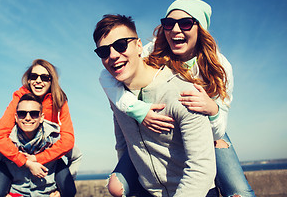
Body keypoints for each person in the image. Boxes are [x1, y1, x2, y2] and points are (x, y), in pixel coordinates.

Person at [99, 0, 255, 197]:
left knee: (239, 191)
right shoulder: (152, 50)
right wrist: (138, 110)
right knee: (116, 186)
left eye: (186, 23)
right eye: (168, 24)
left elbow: (219, 127)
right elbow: (108, 75)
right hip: (159, 125)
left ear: (201, 29)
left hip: (208, 126)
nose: (175, 30)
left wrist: (213, 110)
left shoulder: (220, 66)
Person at [93, 14, 218, 196]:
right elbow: (122, 143)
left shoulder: (183, 93)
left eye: (121, 45)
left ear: (138, 46)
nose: (112, 56)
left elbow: (201, 167)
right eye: (103, 51)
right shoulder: (117, 97)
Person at [0, 59, 81, 197]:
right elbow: (0, 137)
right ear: (29, 79)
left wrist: (37, 159)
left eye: (44, 77)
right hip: (19, 156)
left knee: (69, 191)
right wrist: (25, 161)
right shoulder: (20, 99)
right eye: (34, 76)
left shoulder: (59, 100)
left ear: (51, 81)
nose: (38, 80)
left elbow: (68, 140)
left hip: (49, 157)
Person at [0, 93, 63, 196]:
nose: (28, 118)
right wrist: (2, 191)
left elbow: (76, 156)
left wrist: (61, 192)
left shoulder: (54, 139)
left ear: (41, 117)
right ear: (16, 117)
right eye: (22, 113)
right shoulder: (7, 143)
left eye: (34, 113)